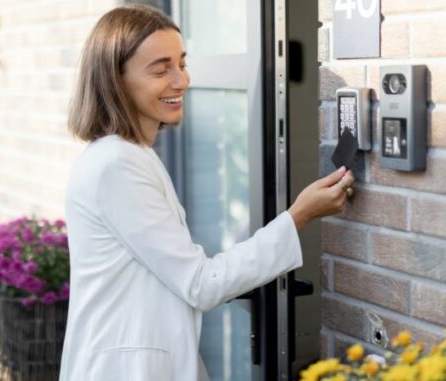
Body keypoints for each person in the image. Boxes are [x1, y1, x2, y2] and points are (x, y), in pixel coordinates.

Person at [60, 5, 355, 381]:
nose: (181, 80)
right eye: (160, 68)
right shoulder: (117, 165)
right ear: (115, 80)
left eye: (181, 63)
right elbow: (200, 284)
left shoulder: (130, 155)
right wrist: (299, 215)